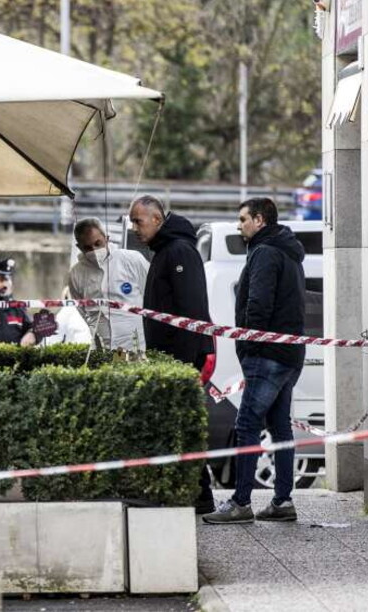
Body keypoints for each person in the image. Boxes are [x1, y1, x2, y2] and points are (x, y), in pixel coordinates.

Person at [204, 198, 306, 525]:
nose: (239, 225)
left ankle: (240, 502)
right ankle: (282, 501)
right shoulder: (288, 252)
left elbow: (257, 304)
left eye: (243, 219)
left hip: (267, 354)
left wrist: (249, 347)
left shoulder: (264, 253)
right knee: (279, 428)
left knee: (247, 425)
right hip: (289, 353)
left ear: (259, 220)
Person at [129, 195, 216, 514]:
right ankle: (195, 492)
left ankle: (198, 493)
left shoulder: (178, 251)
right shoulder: (166, 251)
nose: (134, 228)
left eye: (138, 220)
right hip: (171, 358)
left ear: (156, 218)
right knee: (178, 424)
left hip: (183, 359)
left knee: (181, 425)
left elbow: (191, 312)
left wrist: (187, 366)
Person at [67, 218, 150, 351]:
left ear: (107, 238)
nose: (94, 250)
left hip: (137, 343)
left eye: (98, 243)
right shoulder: (76, 274)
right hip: (104, 346)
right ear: (79, 247)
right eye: (87, 247)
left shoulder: (132, 260)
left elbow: (152, 294)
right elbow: (82, 310)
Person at [0, 258, 37, 346]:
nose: (6, 284)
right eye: (2, 279)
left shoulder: (18, 308)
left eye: (8, 279)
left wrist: (33, 334)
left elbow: (32, 327)